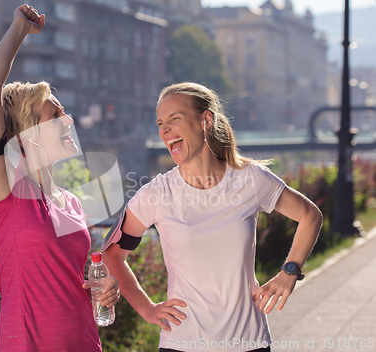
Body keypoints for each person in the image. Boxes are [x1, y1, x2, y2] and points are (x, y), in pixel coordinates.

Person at [102, 82, 323, 352]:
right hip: (182, 343)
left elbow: (310, 215)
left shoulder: (249, 179)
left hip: (248, 342)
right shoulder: (157, 193)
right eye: (160, 123)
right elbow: (112, 254)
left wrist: (289, 272)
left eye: (174, 119)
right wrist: (147, 309)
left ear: (205, 119)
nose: (164, 130)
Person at [0, 5, 119, 351]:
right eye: (55, 114)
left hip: (84, 342)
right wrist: (19, 29)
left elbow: (64, 281)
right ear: (28, 131)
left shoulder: (71, 202)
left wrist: (103, 288)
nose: (68, 121)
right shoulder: (4, 190)